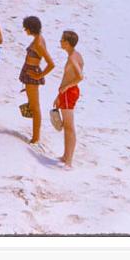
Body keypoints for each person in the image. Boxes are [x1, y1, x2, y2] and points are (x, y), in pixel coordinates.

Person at [18, 16, 55, 144]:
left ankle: (35, 138)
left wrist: (39, 76)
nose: (24, 30)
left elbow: (51, 64)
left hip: (31, 75)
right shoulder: (39, 39)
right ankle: (35, 136)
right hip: (29, 73)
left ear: (30, 28)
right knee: (33, 105)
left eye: (26, 28)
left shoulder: (38, 43)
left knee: (35, 107)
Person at [54, 30, 84, 167]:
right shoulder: (75, 55)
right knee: (67, 126)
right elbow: (69, 77)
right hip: (68, 92)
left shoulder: (72, 58)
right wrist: (59, 95)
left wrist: (65, 88)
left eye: (62, 40)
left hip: (69, 92)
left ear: (67, 42)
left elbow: (79, 77)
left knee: (69, 127)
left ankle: (69, 161)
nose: (60, 42)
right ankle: (66, 156)